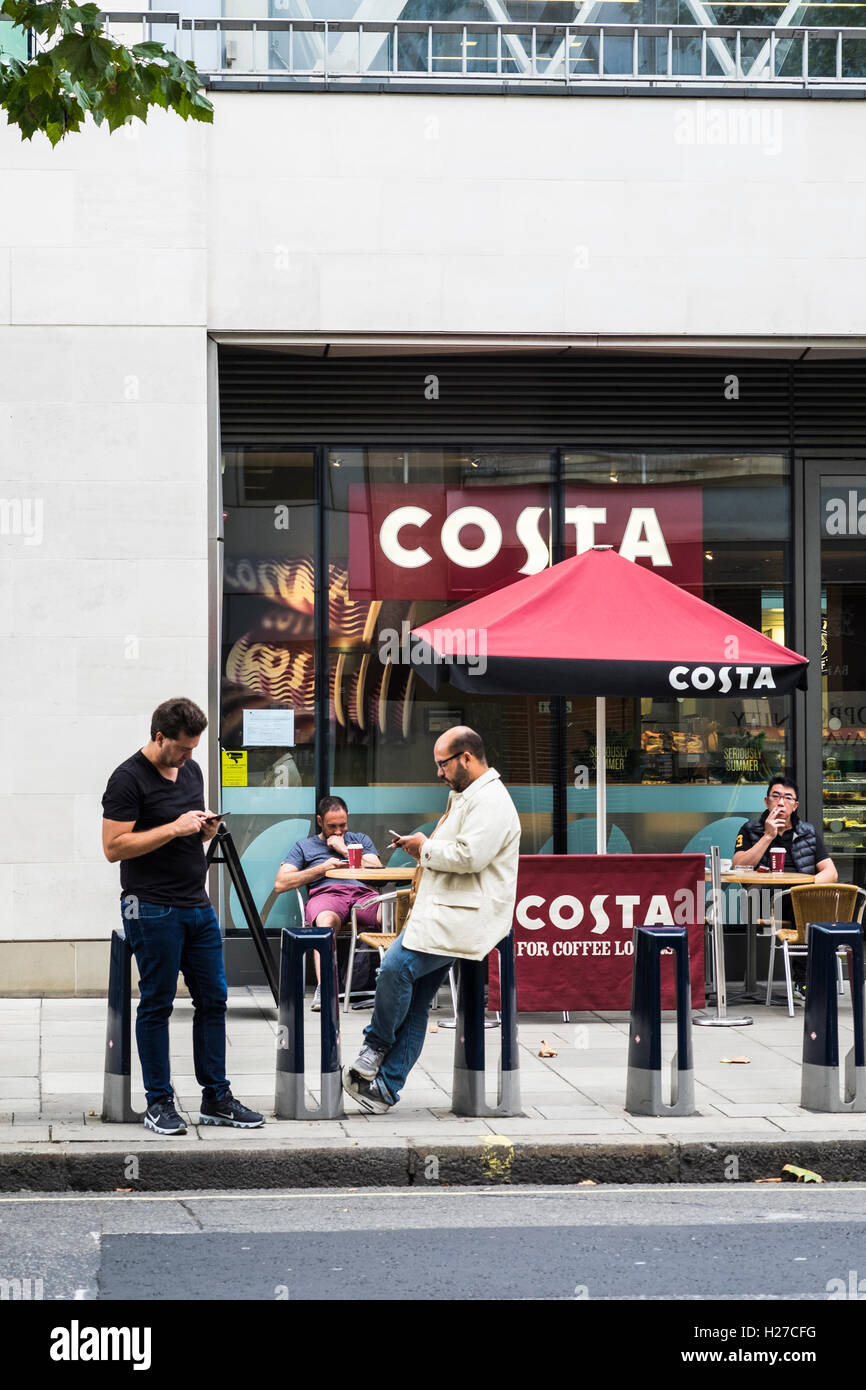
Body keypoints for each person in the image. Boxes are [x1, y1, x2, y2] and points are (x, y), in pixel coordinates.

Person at [101, 697, 264, 1136]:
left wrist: (206, 828)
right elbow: (114, 847)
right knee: (157, 1003)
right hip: (150, 905)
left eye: (194, 748)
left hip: (197, 903)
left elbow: (192, 825)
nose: (190, 757)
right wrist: (174, 826)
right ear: (159, 737)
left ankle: (217, 1097)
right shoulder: (127, 779)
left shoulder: (191, 770)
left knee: (214, 999)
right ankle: (159, 1102)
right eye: (183, 748)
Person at [343, 726, 521, 1114]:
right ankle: (386, 1090)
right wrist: (421, 846)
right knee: (419, 1002)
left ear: (467, 759)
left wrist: (424, 847)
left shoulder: (490, 800)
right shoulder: (467, 795)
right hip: (442, 914)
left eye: (443, 764)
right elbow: (455, 850)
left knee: (393, 968)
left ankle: (374, 1047)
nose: (439, 772)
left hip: (459, 919)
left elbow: (470, 856)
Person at [732, 774, 837, 1003]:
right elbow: (739, 865)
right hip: (763, 900)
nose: (781, 802)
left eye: (788, 798)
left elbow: (831, 872)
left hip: (800, 899)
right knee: (799, 905)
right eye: (776, 796)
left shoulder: (807, 832)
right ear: (766, 801)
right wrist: (768, 836)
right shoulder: (750, 829)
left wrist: (804, 888)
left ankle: (806, 979)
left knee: (802, 903)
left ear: (795, 805)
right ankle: (805, 980)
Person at [274, 797, 383, 1010]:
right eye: (332, 826)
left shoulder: (359, 839)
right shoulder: (304, 847)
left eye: (342, 825)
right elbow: (280, 883)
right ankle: (325, 989)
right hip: (327, 895)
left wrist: (344, 850)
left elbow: (378, 868)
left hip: (362, 895)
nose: (338, 831)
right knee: (325, 921)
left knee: (391, 915)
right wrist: (320, 869)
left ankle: (381, 986)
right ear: (319, 821)